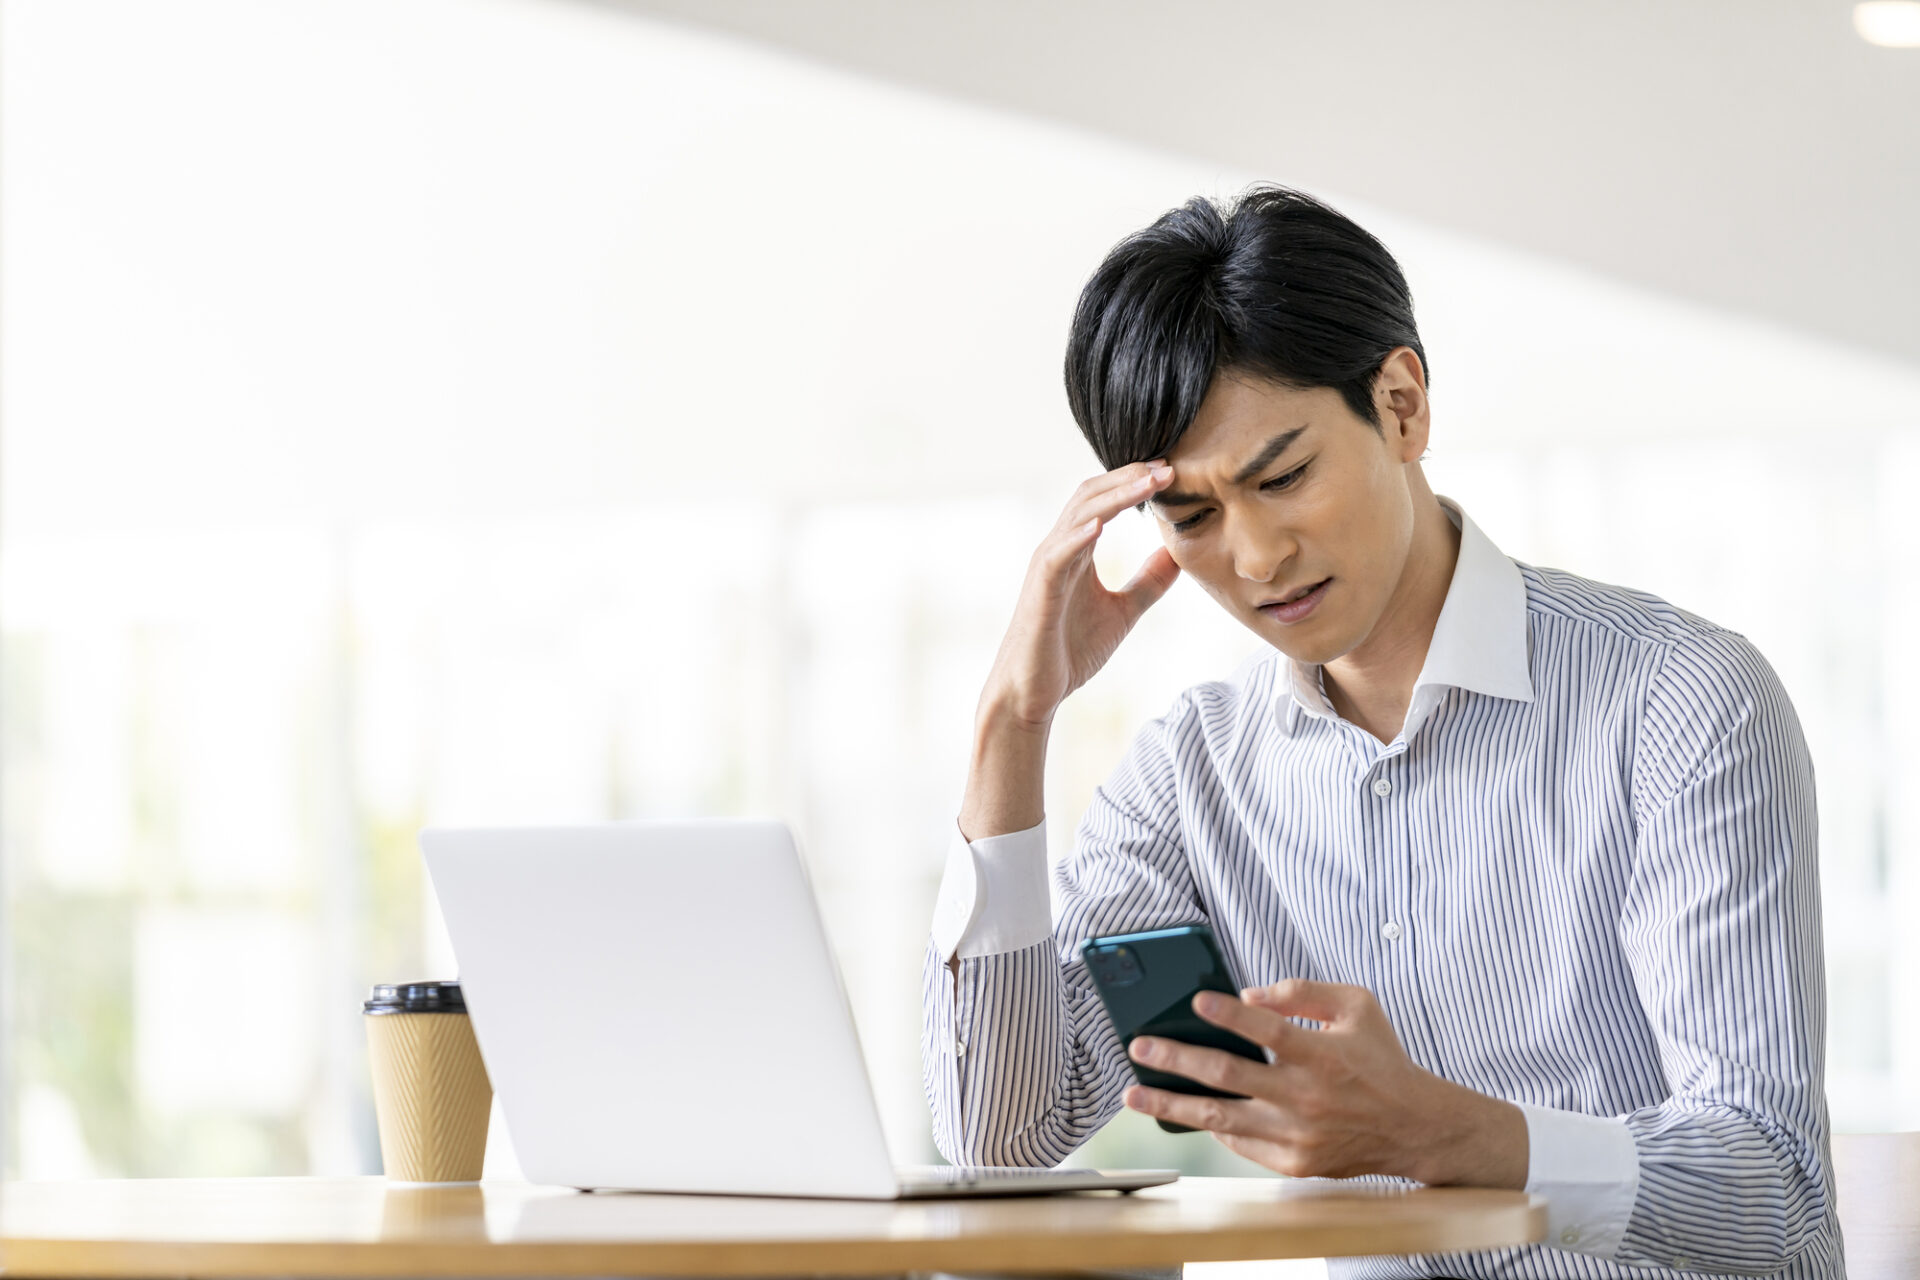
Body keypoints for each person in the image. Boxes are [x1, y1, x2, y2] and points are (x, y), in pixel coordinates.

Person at [920, 185, 1840, 1280]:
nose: (1255, 557)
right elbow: (1002, 1135)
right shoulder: (1191, 775)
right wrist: (1011, 723)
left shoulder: (1680, 700)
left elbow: (1774, 1189)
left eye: (1285, 475)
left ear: (1401, 403)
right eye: (1195, 515)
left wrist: (1442, 1130)